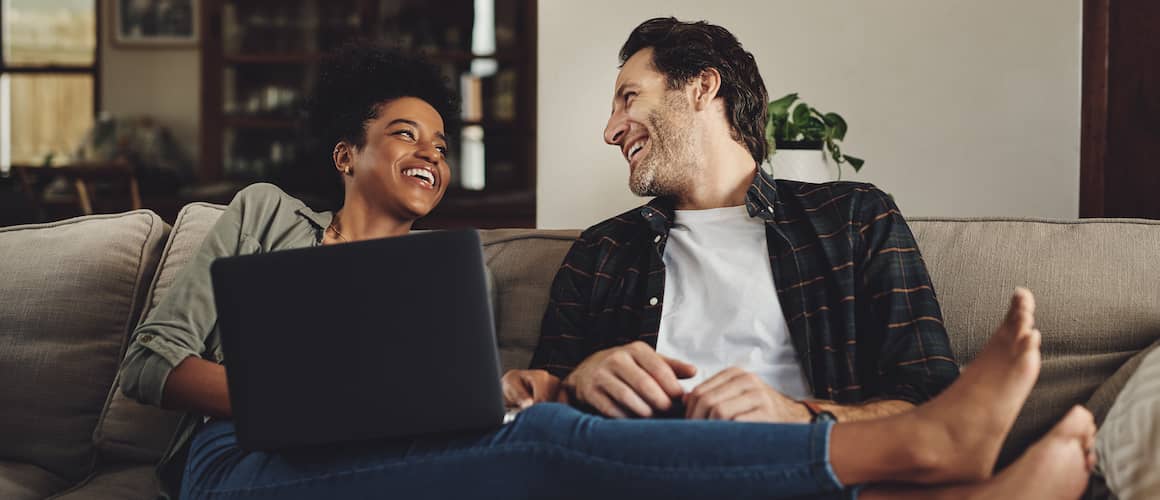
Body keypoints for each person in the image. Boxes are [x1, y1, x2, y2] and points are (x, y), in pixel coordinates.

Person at [119, 42, 1091, 500]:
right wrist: (566, 380)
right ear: (343, 153)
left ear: (700, 87)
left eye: (435, 139)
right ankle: (935, 457)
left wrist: (510, 387)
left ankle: (952, 471)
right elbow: (154, 367)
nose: (426, 153)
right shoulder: (261, 217)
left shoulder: (849, 220)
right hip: (245, 457)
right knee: (550, 441)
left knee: (541, 435)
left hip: (383, 457)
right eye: (400, 134)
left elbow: (488, 403)